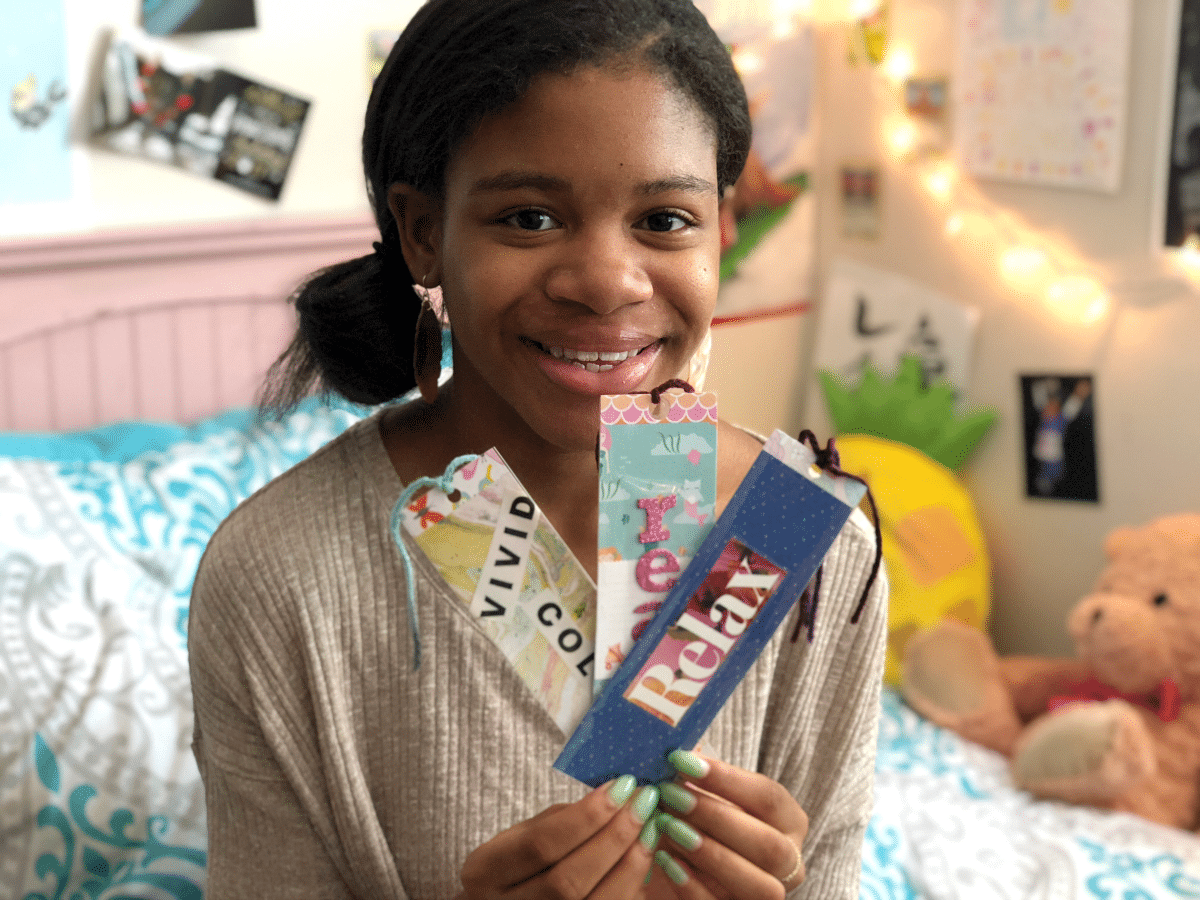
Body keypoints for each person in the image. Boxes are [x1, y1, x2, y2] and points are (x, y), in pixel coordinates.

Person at [187, 1, 888, 897]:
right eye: (527, 216)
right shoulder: (280, 579)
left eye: (665, 220)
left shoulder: (821, 551)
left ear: (722, 228)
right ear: (422, 233)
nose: (605, 282)